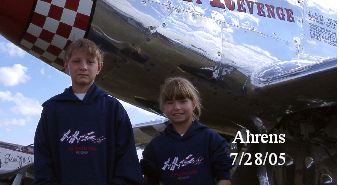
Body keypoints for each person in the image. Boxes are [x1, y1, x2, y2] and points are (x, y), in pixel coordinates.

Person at [33, 38, 143, 185]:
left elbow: (127, 162)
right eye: (76, 61)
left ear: (99, 68)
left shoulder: (113, 108)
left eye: (90, 62)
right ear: (66, 67)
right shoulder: (52, 110)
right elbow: (43, 162)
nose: (83, 67)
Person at [140, 77, 233, 185]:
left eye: (183, 101)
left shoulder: (211, 139)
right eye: (170, 103)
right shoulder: (155, 147)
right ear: (164, 107)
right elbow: (150, 181)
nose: (177, 107)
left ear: (193, 105)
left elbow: (224, 178)